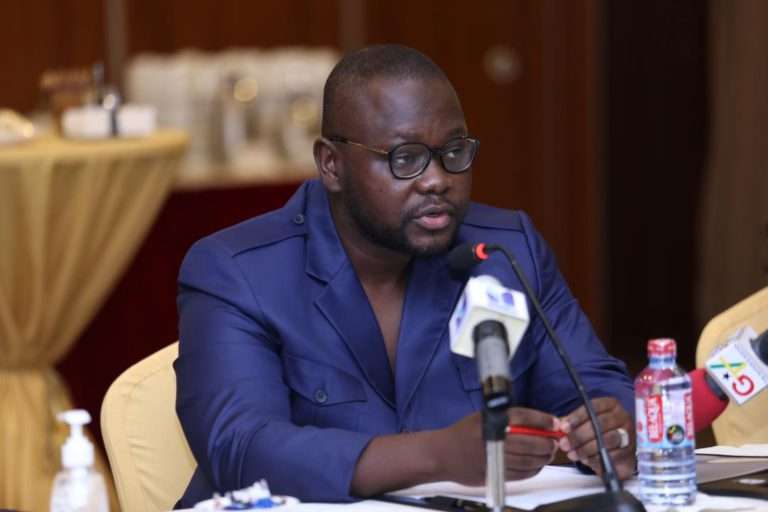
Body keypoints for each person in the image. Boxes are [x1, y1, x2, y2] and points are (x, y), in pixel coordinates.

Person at [174, 44, 635, 507]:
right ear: (332, 164)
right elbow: (240, 448)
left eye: (453, 151)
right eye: (405, 158)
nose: (437, 179)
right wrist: (438, 455)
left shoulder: (505, 252)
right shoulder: (238, 270)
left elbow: (596, 388)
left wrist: (613, 433)